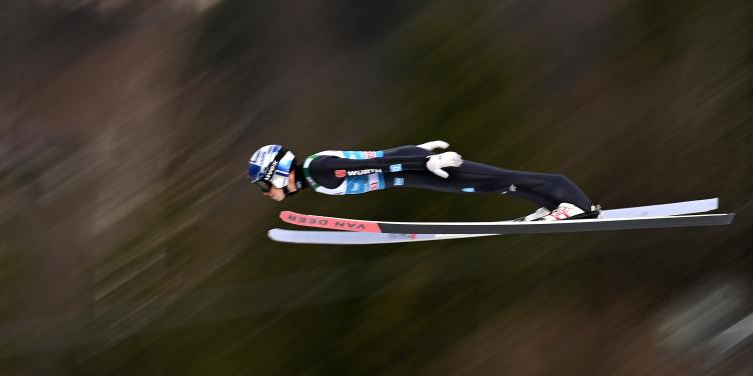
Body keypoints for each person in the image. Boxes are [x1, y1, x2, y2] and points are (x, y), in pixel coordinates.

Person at [248, 141, 599, 221]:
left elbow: (381, 164)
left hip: (421, 170)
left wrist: (423, 159)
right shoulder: (316, 171)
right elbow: (375, 158)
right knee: (494, 183)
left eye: (265, 186)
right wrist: (417, 151)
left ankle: (570, 201)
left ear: (277, 172)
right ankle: (556, 204)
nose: (268, 193)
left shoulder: (319, 171)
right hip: (416, 171)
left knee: (495, 180)